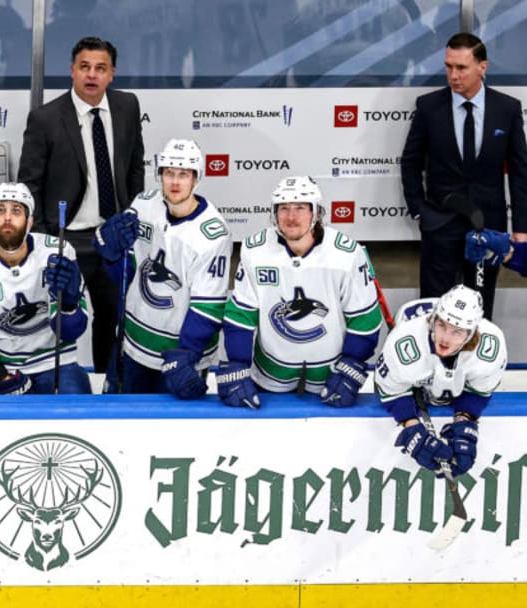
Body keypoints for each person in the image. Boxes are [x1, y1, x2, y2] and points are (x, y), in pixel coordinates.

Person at [18, 36, 145, 373]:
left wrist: (131, 216)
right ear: (72, 71)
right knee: (62, 318)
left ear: (112, 74)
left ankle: (105, 383)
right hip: (67, 237)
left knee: (112, 316)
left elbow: (135, 166)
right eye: (85, 67)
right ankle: (59, 382)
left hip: (112, 238)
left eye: (100, 68)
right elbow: (29, 183)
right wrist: (45, 239)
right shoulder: (46, 118)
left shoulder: (128, 106)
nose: (92, 75)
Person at [218, 176, 383, 409]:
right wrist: (237, 364)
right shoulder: (255, 250)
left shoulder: (345, 254)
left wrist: (350, 365)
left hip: (330, 375)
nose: (291, 217)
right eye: (283, 208)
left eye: (300, 208)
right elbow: (241, 315)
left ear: (316, 213)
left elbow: (365, 318)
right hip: (270, 375)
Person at [401, 32, 527, 319]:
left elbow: (520, 172)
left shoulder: (506, 109)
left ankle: (475, 364)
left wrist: (521, 228)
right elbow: (410, 163)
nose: (453, 75)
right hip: (439, 226)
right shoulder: (428, 107)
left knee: (480, 310)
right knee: (433, 310)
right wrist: (421, 212)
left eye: (461, 68)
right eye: (448, 67)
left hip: (488, 228)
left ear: (482, 67)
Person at [97, 139, 231, 396]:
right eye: (169, 173)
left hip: (177, 356)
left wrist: (188, 353)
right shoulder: (144, 204)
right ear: (160, 175)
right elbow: (128, 270)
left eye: (183, 174)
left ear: (196, 178)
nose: (175, 182)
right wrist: (111, 254)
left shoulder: (213, 234)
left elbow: (208, 306)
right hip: (132, 342)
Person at [0, 182, 92, 395]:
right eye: (0, 210)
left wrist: (68, 305)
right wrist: (1, 375)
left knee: (76, 409)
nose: (7, 217)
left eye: (16, 210)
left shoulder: (58, 253)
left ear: (30, 221)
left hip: (52, 361)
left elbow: (72, 331)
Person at [375, 285, 507, 478]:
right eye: (441, 325)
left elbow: (479, 391)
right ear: (433, 319)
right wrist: (410, 425)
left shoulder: (490, 347)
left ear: (471, 332)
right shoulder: (403, 342)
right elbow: (390, 391)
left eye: (457, 332)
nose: (445, 338)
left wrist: (465, 421)